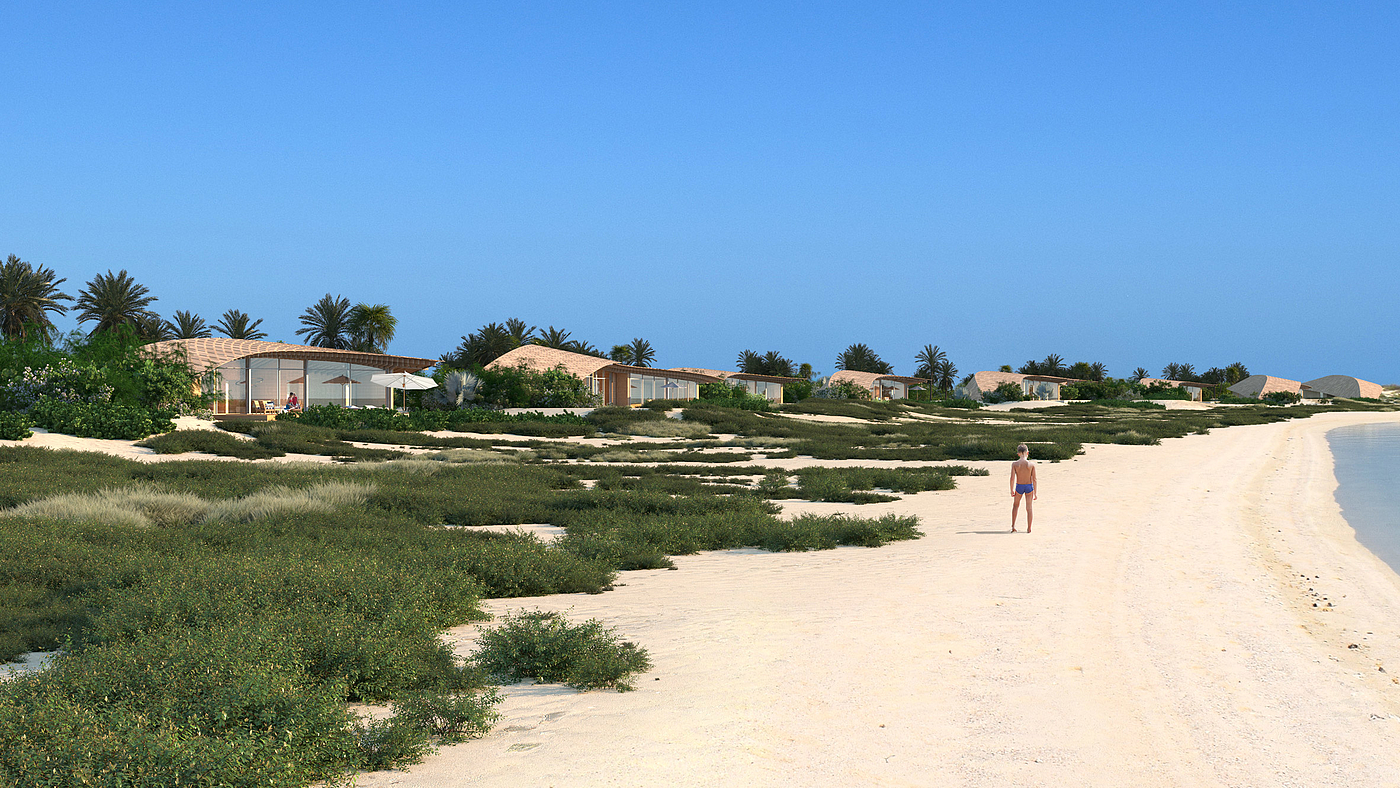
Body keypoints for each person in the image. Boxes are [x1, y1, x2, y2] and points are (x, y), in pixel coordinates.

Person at [1009, 442, 1037, 533]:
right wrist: (1035, 492)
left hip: (1019, 486)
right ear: (1027, 453)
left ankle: (1013, 526)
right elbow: (1034, 479)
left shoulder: (1015, 464)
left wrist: (1011, 490)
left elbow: (1012, 478)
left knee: (1015, 506)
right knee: (1029, 508)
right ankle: (1029, 528)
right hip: (1029, 486)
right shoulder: (1031, 464)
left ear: (1018, 453)